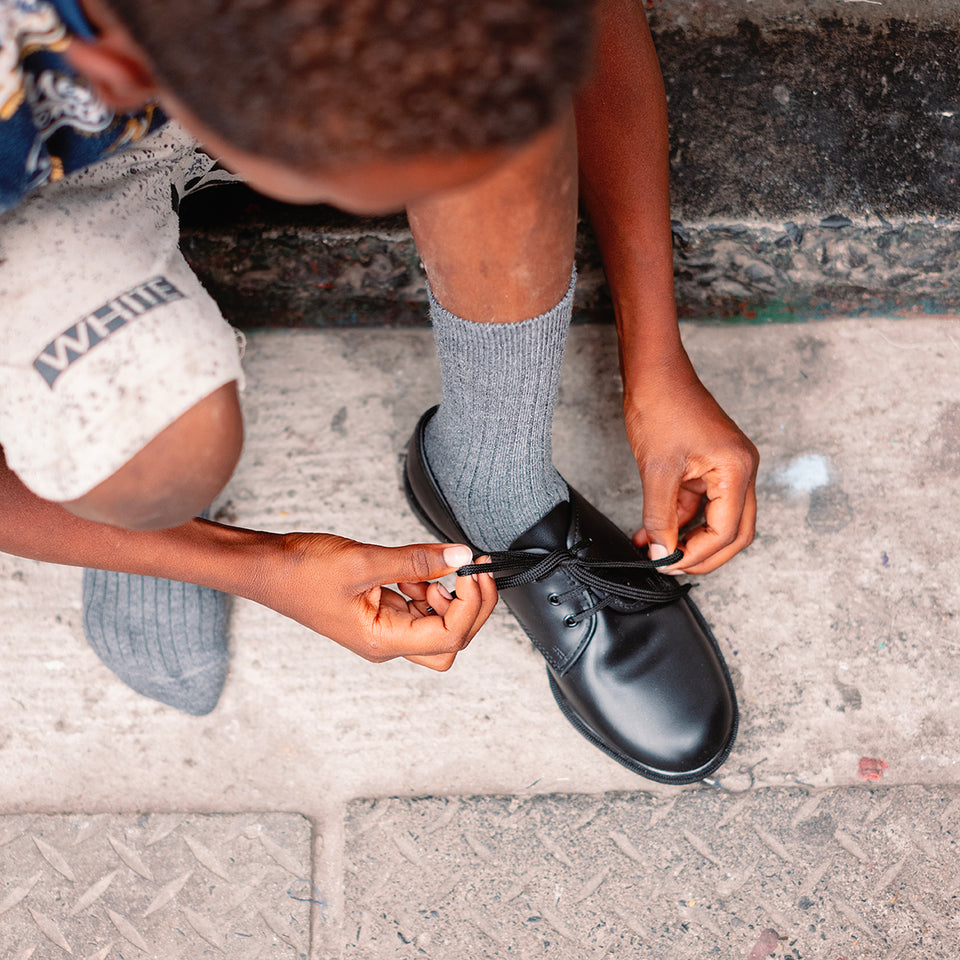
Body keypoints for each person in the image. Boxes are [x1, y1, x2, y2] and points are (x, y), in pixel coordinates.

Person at [0, 0, 758, 782]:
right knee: (148, 451)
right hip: (33, 176)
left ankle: (493, 475)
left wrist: (657, 362)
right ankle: (115, 490)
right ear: (128, 76)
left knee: (487, 93)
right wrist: (262, 567)